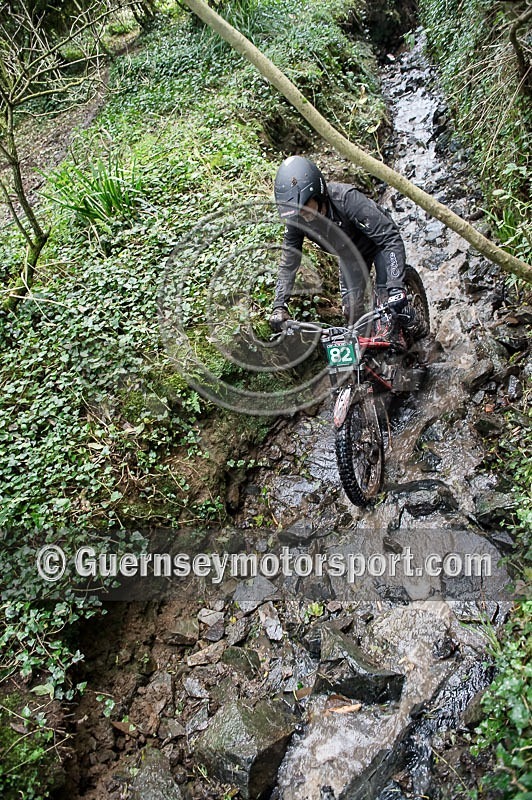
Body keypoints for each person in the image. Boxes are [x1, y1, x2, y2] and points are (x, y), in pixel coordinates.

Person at [269, 155, 415, 334]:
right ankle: (370, 355)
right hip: (350, 256)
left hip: (378, 245)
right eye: (297, 211)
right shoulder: (296, 220)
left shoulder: (347, 199)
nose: (302, 214)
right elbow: (288, 263)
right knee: (352, 314)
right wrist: (279, 306)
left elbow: (389, 238)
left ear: (318, 194)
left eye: (305, 205)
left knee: (389, 305)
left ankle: (411, 333)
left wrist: (396, 288)